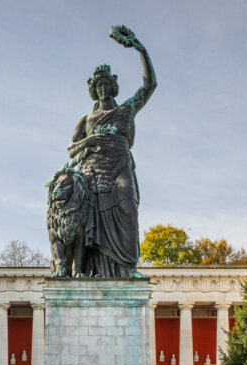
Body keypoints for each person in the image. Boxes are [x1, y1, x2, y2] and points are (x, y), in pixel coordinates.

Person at [65, 25, 156, 278]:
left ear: (113, 86)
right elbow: (71, 149)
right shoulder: (86, 119)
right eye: (98, 85)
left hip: (119, 165)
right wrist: (90, 140)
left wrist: (140, 49)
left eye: (106, 84)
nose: (103, 88)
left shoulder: (127, 109)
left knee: (128, 208)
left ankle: (127, 268)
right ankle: (91, 270)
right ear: (94, 90)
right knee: (89, 222)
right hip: (92, 172)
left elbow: (150, 85)